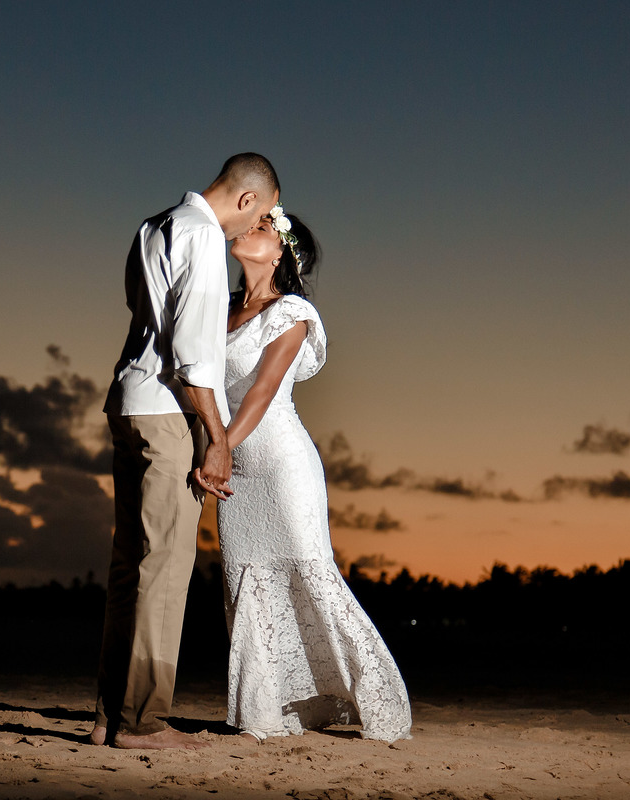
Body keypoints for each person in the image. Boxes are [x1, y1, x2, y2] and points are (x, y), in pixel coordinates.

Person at [90, 154, 281, 750]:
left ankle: (109, 716)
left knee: (130, 564)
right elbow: (194, 354)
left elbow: (141, 316)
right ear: (247, 200)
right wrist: (218, 439)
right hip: (169, 411)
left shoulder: (154, 225)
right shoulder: (201, 236)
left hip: (127, 400)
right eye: (265, 214)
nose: (256, 227)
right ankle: (142, 722)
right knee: (165, 569)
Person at [218, 206, 412, 742]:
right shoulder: (220, 311)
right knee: (246, 584)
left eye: (261, 227)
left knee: (310, 572)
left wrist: (219, 447)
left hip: (280, 465)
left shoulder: (293, 313)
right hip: (235, 469)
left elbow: (261, 391)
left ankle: (373, 699)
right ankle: (266, 713)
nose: (246, 230)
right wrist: (216, 447)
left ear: (281, 252)